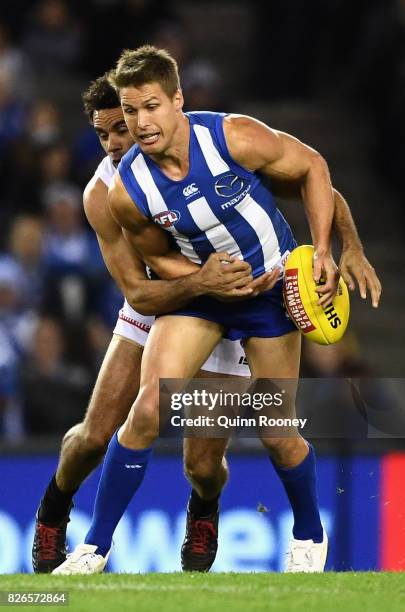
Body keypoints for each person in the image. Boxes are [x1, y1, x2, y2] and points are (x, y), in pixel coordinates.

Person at [52, 46, 381, 576]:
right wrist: (202, 279)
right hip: (204, 297)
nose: (140, 123)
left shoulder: (233, 137)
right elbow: (154, 257)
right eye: (131, 111)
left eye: (151, 106)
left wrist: (327, 249)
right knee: (149, 410)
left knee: (277, 432)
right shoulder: (126, 190)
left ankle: (308, 536)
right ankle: (92, 549)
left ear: (177, 100)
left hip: (272, 291)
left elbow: (313, 167)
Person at [32, 74, 269, 573]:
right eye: (104, 135)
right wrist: (202, 281)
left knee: (203, 466)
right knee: (94, 436)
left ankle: (204, 508)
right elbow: (137, 292)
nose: (117, 143)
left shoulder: (207, 150)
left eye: (124, 126)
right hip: (158, 303)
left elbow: (296, 179)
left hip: (227, 306)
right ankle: (54, 508)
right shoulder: (102, 195)